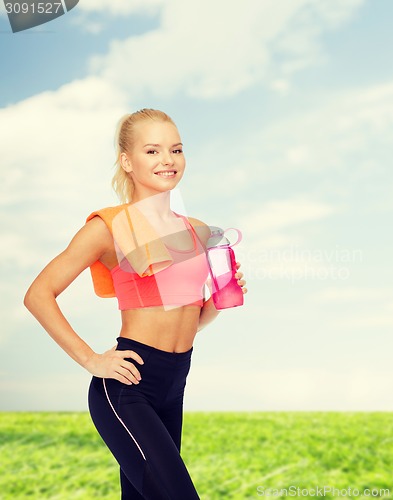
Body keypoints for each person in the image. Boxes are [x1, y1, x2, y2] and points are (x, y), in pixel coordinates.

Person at [23, 108, 247, 499]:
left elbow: (188, 321)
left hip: (175, 382)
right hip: (129, 387)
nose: (167, 160)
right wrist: (92, 360)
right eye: (152, 151)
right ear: (127, 161)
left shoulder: (195, 230)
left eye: (176, 150)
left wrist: (217, 301)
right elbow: (38, 294)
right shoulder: (107, 228)